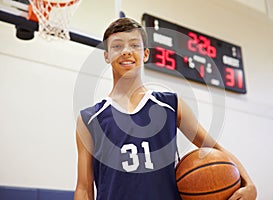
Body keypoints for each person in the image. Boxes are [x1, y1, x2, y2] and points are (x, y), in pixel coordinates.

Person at [74, 17, 257, 200]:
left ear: (145, 54)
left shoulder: (170, 105)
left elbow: (214, 148)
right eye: (117, 46)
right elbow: (84, 188)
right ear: (106, 55)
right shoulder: (89, 119)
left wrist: (249, 184)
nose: (126, 51)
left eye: (134, 45)